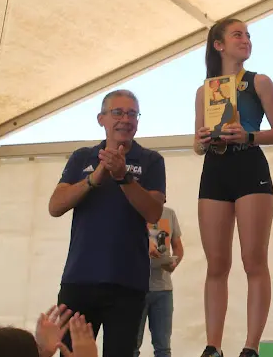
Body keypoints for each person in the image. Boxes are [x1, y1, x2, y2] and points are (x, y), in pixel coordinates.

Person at [194, 18, 273, 357]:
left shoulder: (259, 81)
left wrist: (247, 135)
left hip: (249, 167)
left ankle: (251, 346)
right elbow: (197, 144)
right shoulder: (206, 90)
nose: (246, 40)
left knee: (253, 259)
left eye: (248, 35)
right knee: (216, 264)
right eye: (238, 35)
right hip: (215, 168)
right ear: (218, 44)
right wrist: (203, 139)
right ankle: (213, 346)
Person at [49, 89, 166, 357]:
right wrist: (94, 178)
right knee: (70, 353)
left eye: (132, 114)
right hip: (79, 279)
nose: (125, 119)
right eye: (118, 113)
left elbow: (153, 212)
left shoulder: (151, 160)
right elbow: (55, 206)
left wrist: (123, 176)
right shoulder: (82, 157)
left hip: (128, 283)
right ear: (101, 118)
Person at [134, 206, 184, 357]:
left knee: (163, 347)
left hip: (163, 289)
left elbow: (178, 247)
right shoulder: (134, 210)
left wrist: (174, 262)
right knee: (132, 346)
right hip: (136, 288)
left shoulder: (169, 214)